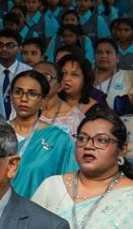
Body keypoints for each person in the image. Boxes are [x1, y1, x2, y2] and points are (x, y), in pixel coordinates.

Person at [4, 70, 78, 199]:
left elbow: (69, 183)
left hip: (38, 208)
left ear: (43, 100)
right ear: (11, 96)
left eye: (32, 94)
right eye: (18, 92)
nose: (24, 99)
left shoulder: (58, 139)